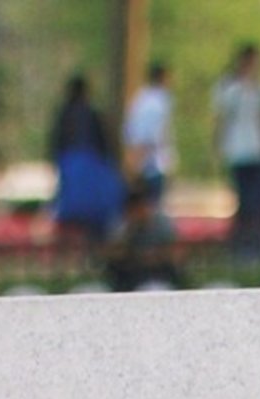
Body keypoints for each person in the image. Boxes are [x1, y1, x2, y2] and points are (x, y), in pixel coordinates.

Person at [214, 43, 260, 260]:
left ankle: (257, 244)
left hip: (259, 151)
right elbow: (222, 120)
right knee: (244, 200)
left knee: (259, 201)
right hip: (239, 151)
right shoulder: (230, 89)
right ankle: (241, 246)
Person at [50, 73, 124, 249]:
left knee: (73, 217)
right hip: (92, 175)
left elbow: (56, 146)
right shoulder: (93, 115)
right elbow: (107, 146)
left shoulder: (64, 116)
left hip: (72, 174)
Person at [104, 183, 183, 292]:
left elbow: (175, 253)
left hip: (159, 274)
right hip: (130, 276)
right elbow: (113, 253)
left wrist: (154, 256)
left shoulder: (161, 223)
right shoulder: (121, 225)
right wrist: (131, 231)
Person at [122, 61, 176, 203]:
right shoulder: (158, 102)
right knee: (153, 205)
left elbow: (129, 131)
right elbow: (150, 135)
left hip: (142, 160)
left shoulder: (139, 99)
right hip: (152, 162)